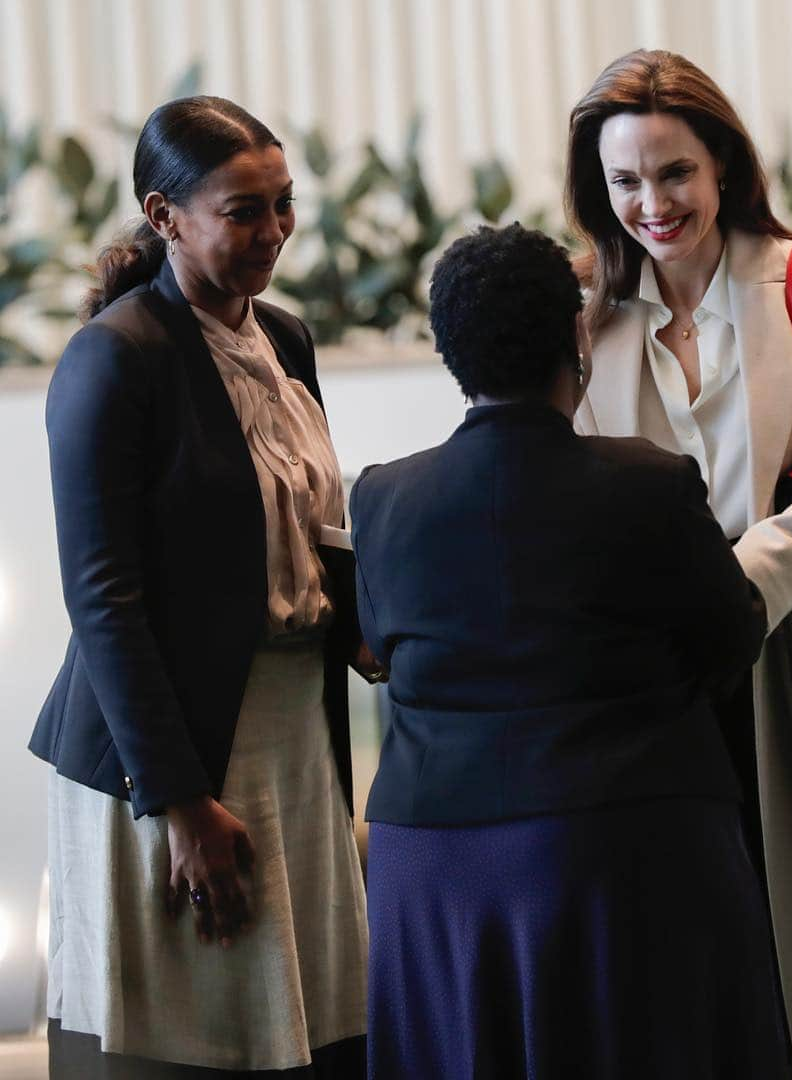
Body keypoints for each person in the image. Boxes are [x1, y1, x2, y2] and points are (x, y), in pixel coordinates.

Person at [351, 222, 789, 1079]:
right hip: (624, 846)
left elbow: (385, 653)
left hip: (435, 869)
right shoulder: (649, 482)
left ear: (448, 351)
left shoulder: (383, 498)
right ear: (577, 334)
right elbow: (732, 635)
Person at [566, 49, 792, 1080]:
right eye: (625, 181)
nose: (652, 203)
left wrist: (718, 607)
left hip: (785, 659)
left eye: (675, 174)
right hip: (642, 699)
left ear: (724, 169)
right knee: (675, 977)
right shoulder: (581, 310)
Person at [31, 96, 368, 1078]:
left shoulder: (289, 340)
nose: (272, 233)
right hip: (166, 748)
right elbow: (103, 599)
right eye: (243, 211)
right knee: (188, 1034)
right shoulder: (117, 358)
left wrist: (363, 627)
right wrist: (179, 803)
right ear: (164, 213)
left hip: (291, 728)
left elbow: (310, 523)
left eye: (283, 205)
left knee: (301, 1023)